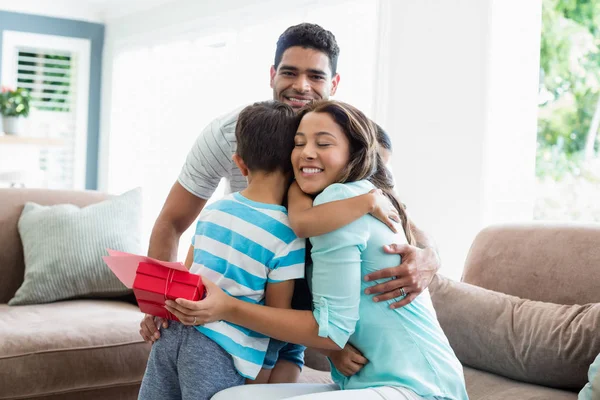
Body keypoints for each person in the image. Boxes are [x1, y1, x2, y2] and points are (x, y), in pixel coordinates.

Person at [140, 22, 441, 378]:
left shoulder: (347, 140)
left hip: (307, 287)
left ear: (334, 84)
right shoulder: (232, 135)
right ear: (272, 75)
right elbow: (172, 222)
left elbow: (393, 215)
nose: (301, 86)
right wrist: (158, 306)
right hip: (247, 279)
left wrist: (430, 257)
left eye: (315, 76)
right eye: (290, 72)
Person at [165, 100, 469, 400]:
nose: (307, 152)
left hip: (421, 389)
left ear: (354, 152)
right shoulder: (319, 203)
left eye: (323, 143)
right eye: (299, 143)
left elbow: (333, 330)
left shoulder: (343, 202)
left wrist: (228, 306)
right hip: (371, 383)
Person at [139, 101, 306, 399]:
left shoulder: (213, 212)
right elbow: (278, 321)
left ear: (240, 164)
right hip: (218, 351)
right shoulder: (289, 234)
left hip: (171, 336)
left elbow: (184, 281)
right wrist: (261, 377)